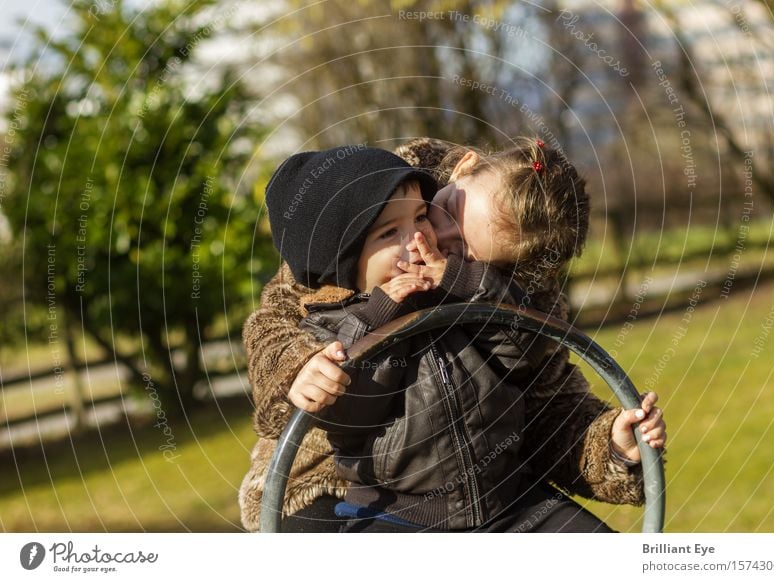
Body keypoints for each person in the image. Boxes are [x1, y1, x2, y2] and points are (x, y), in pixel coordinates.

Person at [238, 138, 666, 532]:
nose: (432, 243)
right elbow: (273, 325)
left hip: (488, 484)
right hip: (336, 480)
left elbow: (544, 401)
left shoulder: (517, 282)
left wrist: (608, 446)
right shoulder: (365, 201)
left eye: (466, 254)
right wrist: (303, 367)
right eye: (442, 213)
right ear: (463, 167)